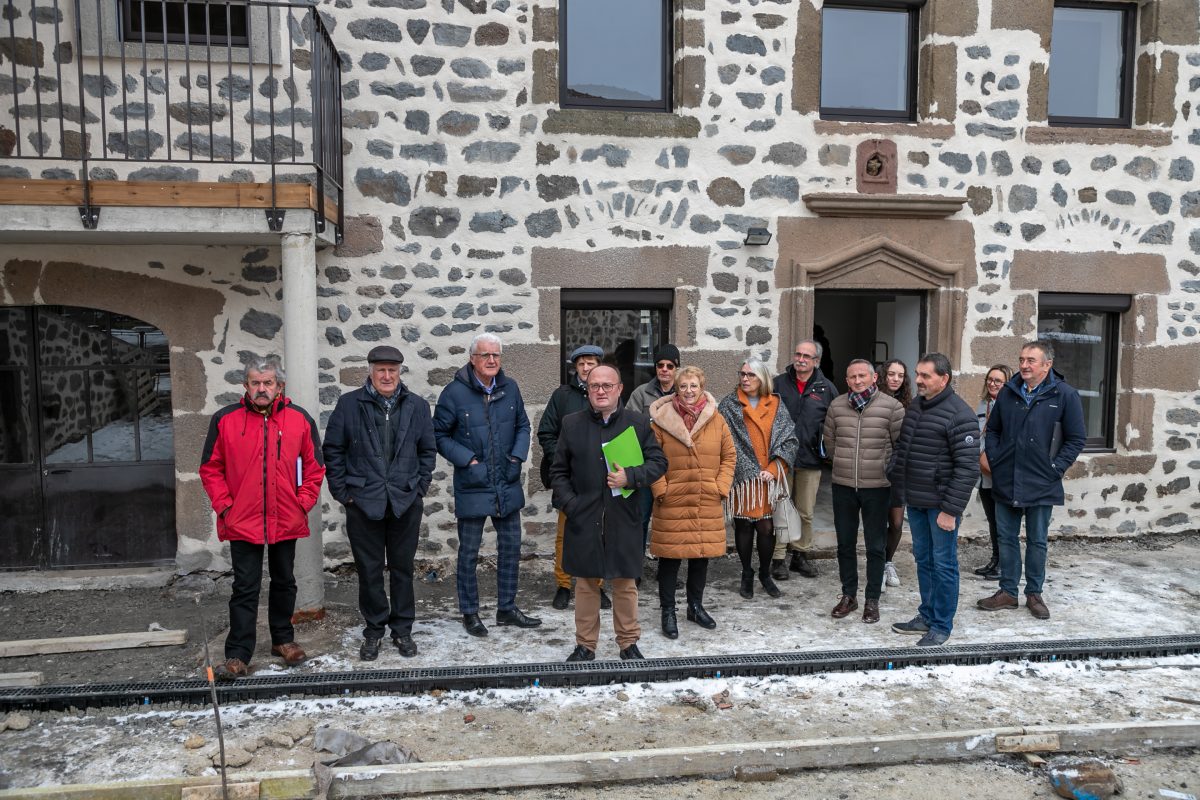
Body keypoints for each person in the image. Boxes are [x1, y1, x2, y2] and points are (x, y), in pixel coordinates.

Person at [199, 358, 325, 678]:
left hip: (285, 516)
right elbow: (211, 469)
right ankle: (239, 653)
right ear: (245, 386)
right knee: (245, 586)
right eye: (256, 383)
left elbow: (314, 467)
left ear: (279, 386)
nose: (262, 389)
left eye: (268, 383)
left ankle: (283, 640)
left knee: (284, 581)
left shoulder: (299, 419)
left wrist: (302, 503)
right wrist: (226, 507)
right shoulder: (225, 420)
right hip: (242, 518)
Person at [324, 345, 436, 661]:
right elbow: (332, 450)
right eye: (380, 369)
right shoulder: (349, 405)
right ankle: (374, 630)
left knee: (402, 569)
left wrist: (420, 487)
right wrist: (343, 492)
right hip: (363, 502)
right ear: (370, 371)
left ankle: (402, 630)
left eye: (392, 370)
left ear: (400, 372)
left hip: (404, 500)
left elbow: (428, 450)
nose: (387, 376)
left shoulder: (416, 406)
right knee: (369, 571)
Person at [550, 365, 667, 661]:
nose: (600, 391)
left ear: (619, 389)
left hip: (623, 516)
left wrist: (631, 476)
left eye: (607, 386)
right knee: (587, 585)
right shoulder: (571, 424)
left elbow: (658, 463)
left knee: (625, 583)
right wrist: (571, 505)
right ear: (587, 390)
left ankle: (628, 643)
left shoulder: (638, 424)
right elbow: (558, 472)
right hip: (584, 516)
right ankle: (585, 645)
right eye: (594, 386)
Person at [433, 333, 541, 638]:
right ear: (472, 359)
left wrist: (518, 457)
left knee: (510, 548)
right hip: (473, 482)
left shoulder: (510, 388)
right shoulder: (453, 393)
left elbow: (522, 424)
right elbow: (439, 435)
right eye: (485, 355)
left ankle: (506, 607)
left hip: (506, 480)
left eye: (496, 355)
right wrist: (468, 460)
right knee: (468, 552)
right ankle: (470, 612)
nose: (492, 360)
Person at [977, 341, 1086, 620]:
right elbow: (993, 431)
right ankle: (1008, 592)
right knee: (1007, 538)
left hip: (1042, 480)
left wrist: (1055, 468)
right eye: (1022, 359)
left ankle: (1034, 594)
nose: (1024, 365)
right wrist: (997, 460)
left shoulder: (1064, 395)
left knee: (1037, 540)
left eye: (1031, 361)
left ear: (1047, 365)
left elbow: (1076, 439)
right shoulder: (1009, 393)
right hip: (1007, 478)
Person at [887, 353, 979, 647]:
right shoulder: (916, 406)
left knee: (944, 564)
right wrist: (896, 478)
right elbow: (904, 447)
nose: (919, 380)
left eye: (925, 376)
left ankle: (941, 625)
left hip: (941, 506)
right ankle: (926, 615)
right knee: (924, 560)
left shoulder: (960, 415)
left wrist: (950, 511)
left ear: (944, 379)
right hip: (917, 500)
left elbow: (968, 469)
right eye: (918, 374)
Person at [648, 366, 735, 638]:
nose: (688, 391)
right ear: (676, 388)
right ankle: (668, 611)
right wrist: (661, 489)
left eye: (693, 385)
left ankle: (695, 606)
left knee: (701, 556)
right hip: (672, 499)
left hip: (705, 498)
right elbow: (651, 459)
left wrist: (720, 487)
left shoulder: (716, 419)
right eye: (683, 385)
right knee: (670, 559)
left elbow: (729, 457)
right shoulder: (661, 420)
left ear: (702, 387)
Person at [822, 359, 905, 624]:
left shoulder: (892, 407)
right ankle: (849, 595)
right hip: (843, 485)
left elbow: (899, 446)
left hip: (877, 487)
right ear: (846, 381)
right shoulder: (837, 406)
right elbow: (830, 442)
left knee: (875, 546)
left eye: (862, 376)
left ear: (873, 378)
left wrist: (882, 470)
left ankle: (872, 599)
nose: (857, 381)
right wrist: (844, 464)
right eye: (852, 377)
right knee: (845, 543)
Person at [718, 359, 798, 600]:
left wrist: (775, 468)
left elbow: (789, 440)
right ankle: (746, 573)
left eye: (751, 375)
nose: (745, 378)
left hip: (767, 479)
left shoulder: (775, 403)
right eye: (742, 373)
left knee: (766, 527)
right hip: (742, 479)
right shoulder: (729, 405)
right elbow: (722, 439)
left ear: (762, 378)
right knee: (743, 526)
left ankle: (764, 573)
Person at [538, 343, 609, 611]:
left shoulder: (608, 394)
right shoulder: (562, 396)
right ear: (575, 367)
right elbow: (546, 431)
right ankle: (564, 584)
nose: (586, 367)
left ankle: (596, 585)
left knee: (599, 532)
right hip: (568, 477)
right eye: (581, 363)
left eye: (591, 363)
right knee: (565, 534)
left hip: (600, 476)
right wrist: (563, 458)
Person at [771, 339, 836, 581]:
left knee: (805, 512)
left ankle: (800, 554)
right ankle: (778, 558)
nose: (800, 359)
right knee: (780, 509)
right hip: (782, 458)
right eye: (798, 354)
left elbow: (834, 423)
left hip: (810, 460)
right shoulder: (778, 383)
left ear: (815, 361)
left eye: (806, 356)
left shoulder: (826, 388)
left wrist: (828, 452)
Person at [628, 343, 681, 552]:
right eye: (660, 365)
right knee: (639, 519)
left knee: (669, 522)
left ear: (677, 368)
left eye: (670, 366)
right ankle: (635, 568)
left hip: (674, 468)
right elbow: (628, 427)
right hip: (646, 466)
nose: (665, 370)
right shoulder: (641, 394)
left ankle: (666, 568)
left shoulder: (684, 393)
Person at [971, 364, 1013, 581]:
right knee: (992, 520)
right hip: (984, 473)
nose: (993, 383)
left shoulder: (1010, 406)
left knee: (1002, 521)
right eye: (990, 379)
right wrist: (979, 456)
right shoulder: (984, 404)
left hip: (1000, 473)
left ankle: (1005, 564)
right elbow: (977, 434)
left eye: (998, 381)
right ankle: (995, 560)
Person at [877, 359, 913, 590]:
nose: (896, 379)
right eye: (891, 374)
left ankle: (889, 561)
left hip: (899, 470)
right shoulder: (873, 400)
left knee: (897, 523)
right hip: (876, 468)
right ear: (883, 376)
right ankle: (878, 565)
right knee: (878, 521)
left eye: (900, 375)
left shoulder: (911, 405)